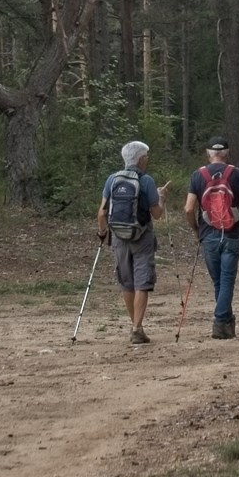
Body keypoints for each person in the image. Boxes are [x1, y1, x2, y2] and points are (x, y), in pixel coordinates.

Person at [95, 139, 164, 345]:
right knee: (142, 280)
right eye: (146, 156)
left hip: (118, 235)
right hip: (142, 235)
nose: (147, 159)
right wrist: (161, 198)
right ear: (141, 159)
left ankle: (136, 326)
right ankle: (136, 328)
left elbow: (102, 212)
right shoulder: (147, 181)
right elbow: (157, 214)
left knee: (126, 281)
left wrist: (102, 232)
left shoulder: (112, 179)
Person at [183, 136, 239, 339]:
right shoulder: (237, 174)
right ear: (227, 153)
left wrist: (196, 229)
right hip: (231, 233)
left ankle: (226, 323)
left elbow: (188, 209)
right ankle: (222, 320)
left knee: (219, 282)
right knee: (227, 279)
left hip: (208, 234)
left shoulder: (198, 175)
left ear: (208, 153)